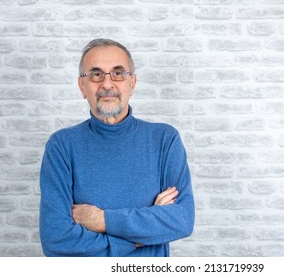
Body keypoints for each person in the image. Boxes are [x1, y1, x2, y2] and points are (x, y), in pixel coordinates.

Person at [39, 38, 195, 257]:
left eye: (118, 73)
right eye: (96, 74)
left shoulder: (164, 140)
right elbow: (56, 240)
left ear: (132, 83)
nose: (107, 84)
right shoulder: (62, 146)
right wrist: (141, 236)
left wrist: (101, 219)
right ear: (82, 86)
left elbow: (182, 220)